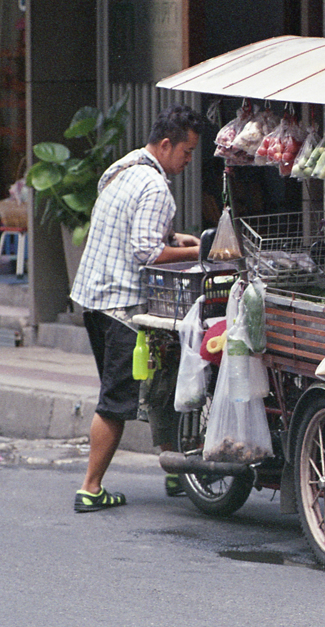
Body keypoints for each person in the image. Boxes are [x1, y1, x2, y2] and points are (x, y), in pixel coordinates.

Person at [70, 104, 206, 512]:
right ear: (166, 144)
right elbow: (146, 250)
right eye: (186, 152)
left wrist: (175, 238)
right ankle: (91, 488)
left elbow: (136, 230)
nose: (187, 161)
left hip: (93, 298)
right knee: (116, 401)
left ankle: (174, 469)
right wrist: (202, 248)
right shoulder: (156, 188)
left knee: (157, 381)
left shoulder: (123, 168)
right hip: (121, 304)